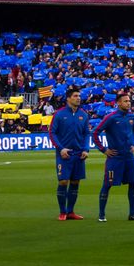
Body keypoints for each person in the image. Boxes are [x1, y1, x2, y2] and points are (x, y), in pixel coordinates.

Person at [93, 92, 134, 222]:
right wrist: (104, 150)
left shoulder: (132, 117)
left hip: (129, 156)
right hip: (115, 157)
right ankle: (101, 214)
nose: (128, 103)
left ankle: (132, 214)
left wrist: (133, 143)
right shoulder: (110, 118)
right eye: (125, 101)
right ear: (119, 103)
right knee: (107, 184)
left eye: (129, 101)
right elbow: (95, 133)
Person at [50, 87, 89, 221]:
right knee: (63, 181)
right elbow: (52, 132)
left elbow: (86, 134)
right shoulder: (59, 114)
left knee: (75, 182)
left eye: (79, 96)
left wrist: (86, 149)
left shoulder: (83, 115)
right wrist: (60, 148)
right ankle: (62, 212)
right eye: (75, 96)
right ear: (68, 98)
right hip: (64, 153)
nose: (78, 98)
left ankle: (71, 211)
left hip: (78, 154)